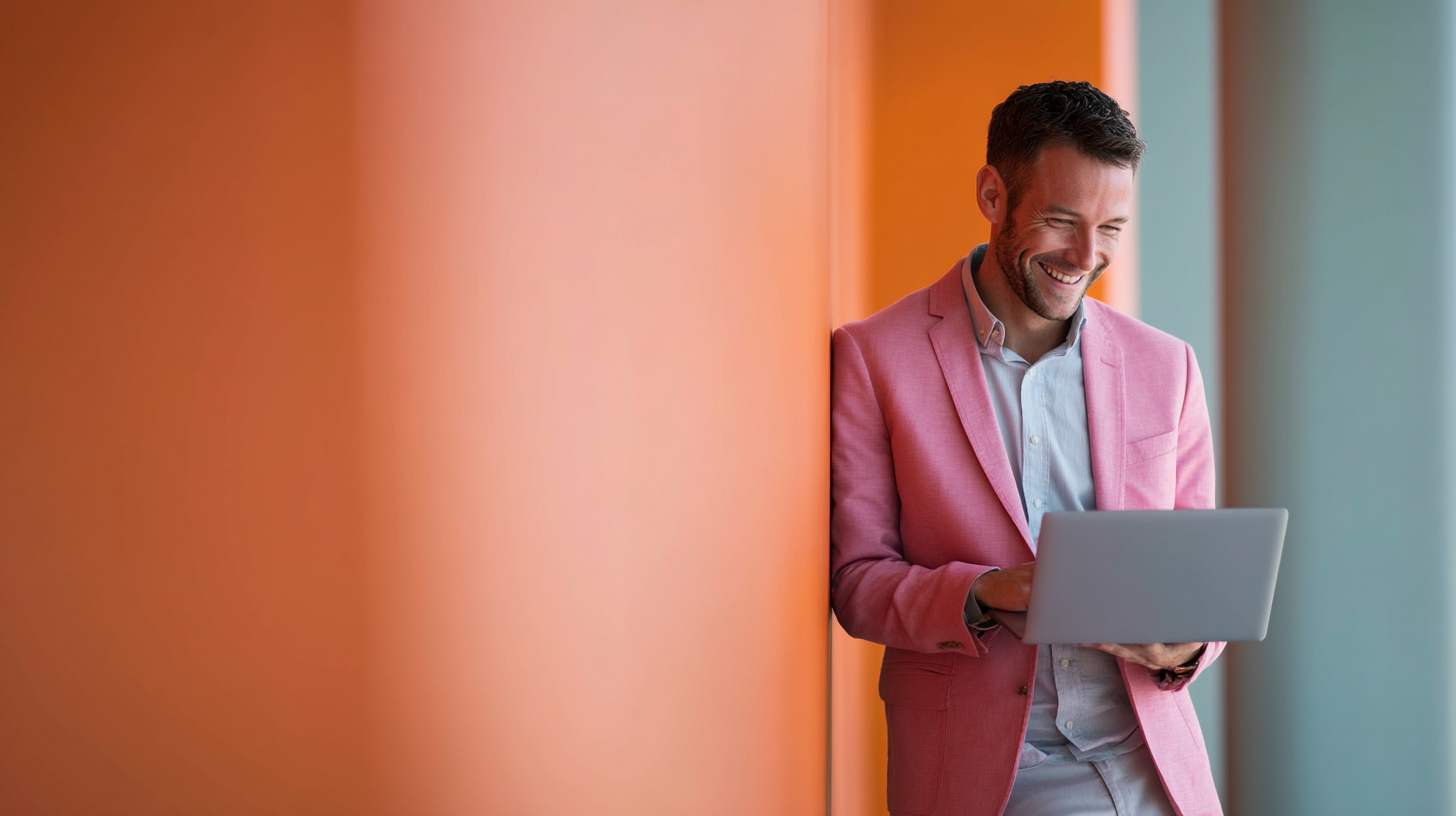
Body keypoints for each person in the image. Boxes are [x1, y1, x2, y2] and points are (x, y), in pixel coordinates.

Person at [830, 81, 1221, 816]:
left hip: (1156, 773)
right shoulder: (874, 357)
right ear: (991, 194)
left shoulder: (1167, 367)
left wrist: (1186, 648)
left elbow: (1201, 582)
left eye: (1111, 228)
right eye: (1061, 220)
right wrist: (985, 592)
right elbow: (857, 582)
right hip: (993, 777)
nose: (1085, 256)